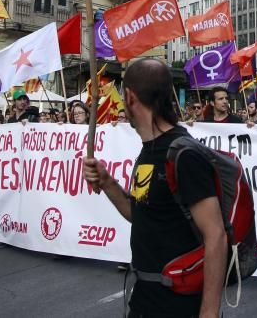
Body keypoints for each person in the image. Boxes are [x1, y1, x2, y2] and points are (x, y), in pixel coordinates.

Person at [82, 59, 226, 318]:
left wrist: (209, 313)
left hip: (180, 306)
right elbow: (139, 215)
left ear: (129, 96)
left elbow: (216, 236)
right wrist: (106, 182)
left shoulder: (184, 155)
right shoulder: (149, 150)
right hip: (145, 299)